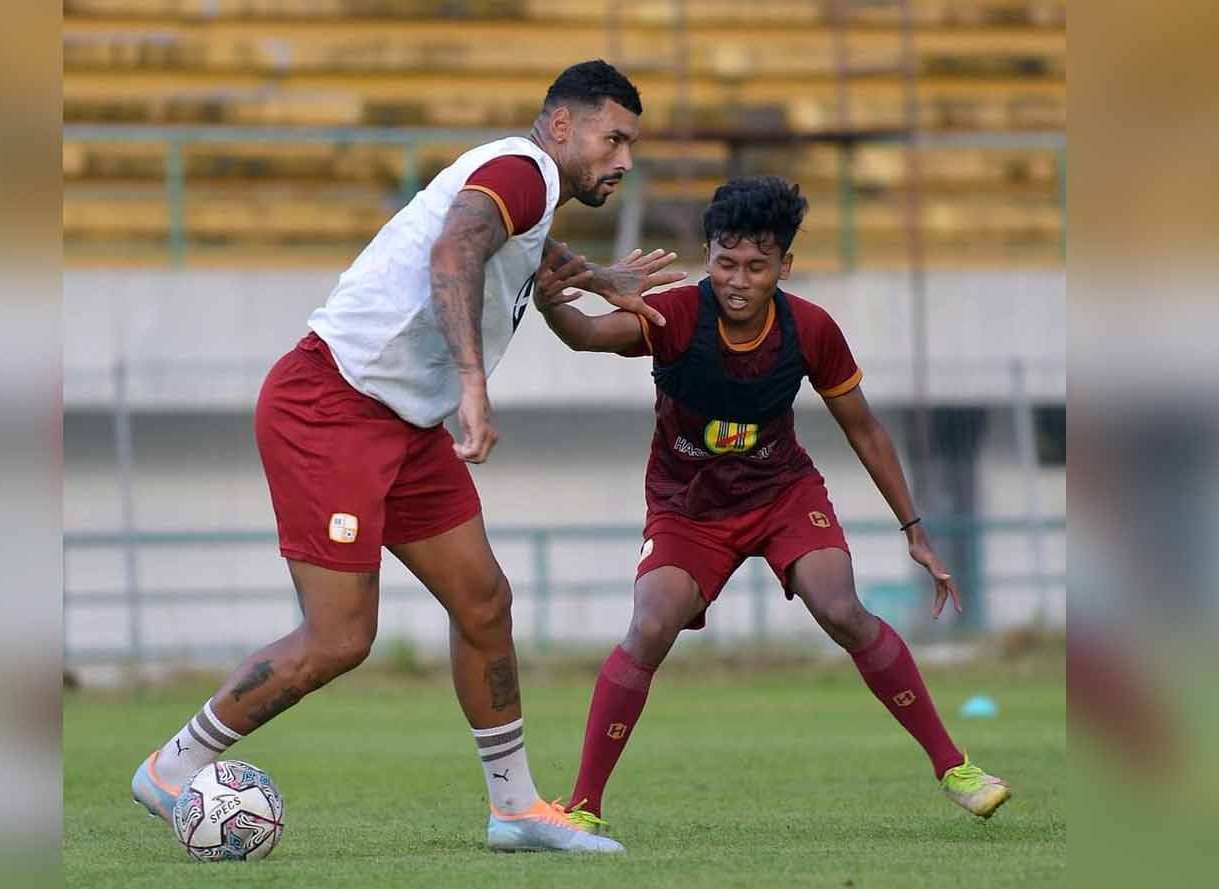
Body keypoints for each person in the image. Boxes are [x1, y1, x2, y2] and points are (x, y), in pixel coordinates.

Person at [130, 59, 684, 855]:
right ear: (562, 125)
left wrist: (600, 276)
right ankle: (172, 766)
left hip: (403, 422)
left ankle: (515, 809)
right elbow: (455, 252)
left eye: (631, 143)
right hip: (333, 404)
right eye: (614, 136)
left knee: (484, 600)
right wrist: (472, 382)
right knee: (339, 637)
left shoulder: (529, 196)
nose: (625, 158)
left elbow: (527, 256)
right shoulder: (519, 171)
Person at [533, 175, 1011, 839]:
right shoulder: (673, 316)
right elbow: (584, 334)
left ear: (784, 266)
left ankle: (955, 767)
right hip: (688, 507)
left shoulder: (810, 329)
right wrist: (553, 303)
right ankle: (583, 804)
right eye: (725, 262)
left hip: (782, 493)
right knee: (648, 627)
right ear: (707, 255)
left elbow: (865, 428)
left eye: (757, 267)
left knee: (841, 608)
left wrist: (915, 530)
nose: (738, 279)